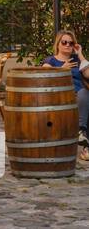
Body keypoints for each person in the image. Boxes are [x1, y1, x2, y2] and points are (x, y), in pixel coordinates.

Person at [42, 31, 89, 160]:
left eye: (71, 43)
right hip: (63, 96)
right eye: (64, 42)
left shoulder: (77, 60)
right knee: (85, 94)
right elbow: (44, 76)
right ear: (58, 44)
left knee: (85, 96)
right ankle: (82, 133)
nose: (67, 45)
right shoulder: (51, 60)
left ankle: (84, 141)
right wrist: (62, 69)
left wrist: (80, 54)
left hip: (81, 96)